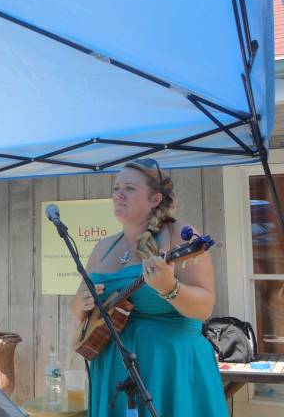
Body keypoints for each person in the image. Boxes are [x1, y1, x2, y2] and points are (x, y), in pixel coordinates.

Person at [70, 158, 228, 417]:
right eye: (116, 188)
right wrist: (81, 303)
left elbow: (204, 307)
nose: (118, 195)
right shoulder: (103, 247)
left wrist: (170, 288)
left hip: (169, 369)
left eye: (129, 189)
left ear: (155, 199)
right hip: (113, 369)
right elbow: (80, 310)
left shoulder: (180, 235)